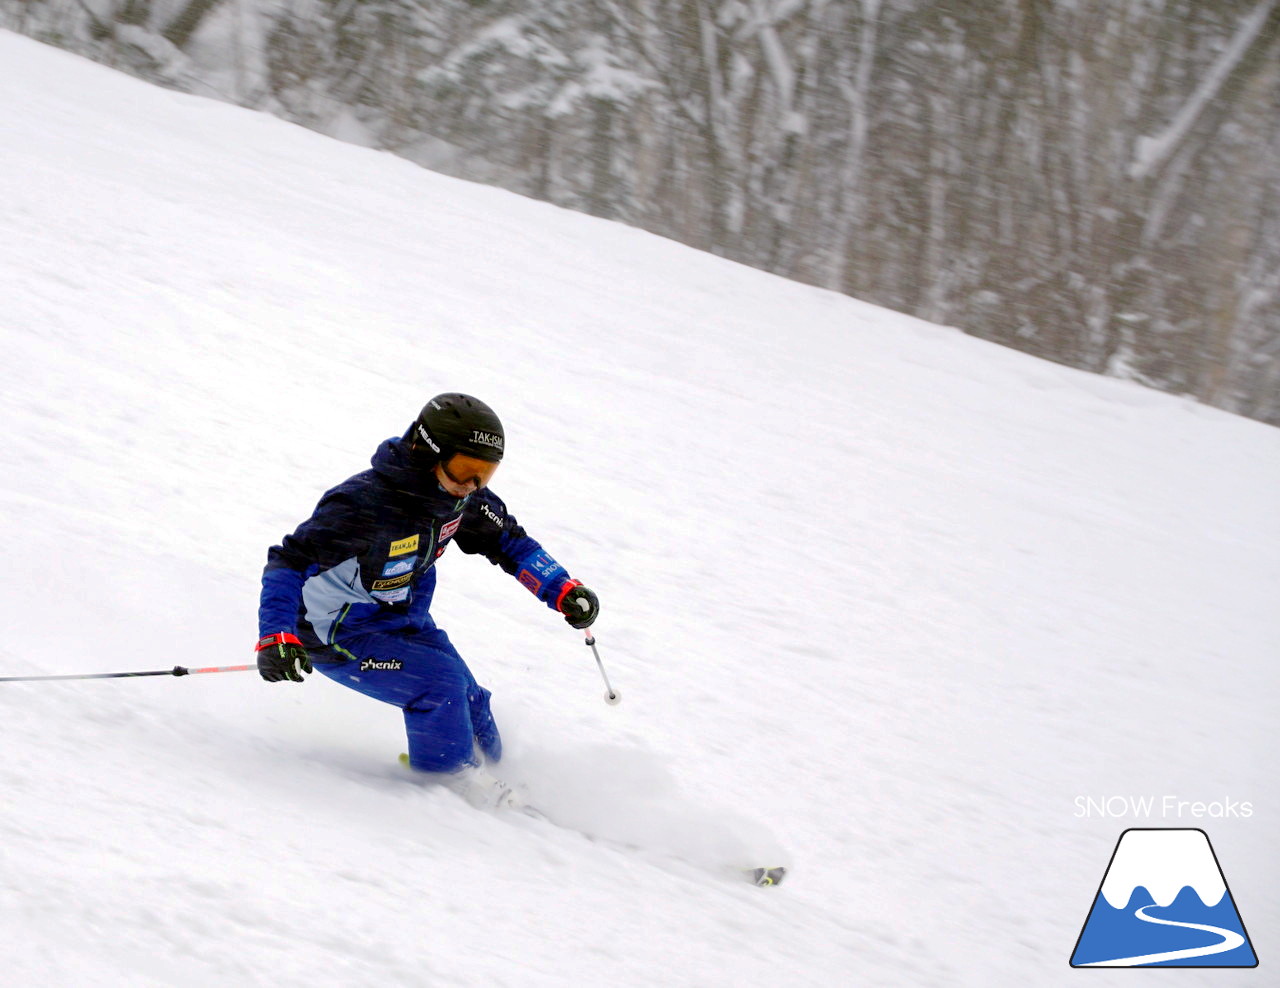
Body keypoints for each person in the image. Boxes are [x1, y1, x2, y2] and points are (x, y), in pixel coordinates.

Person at [256, 393, 599, 805]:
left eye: (484, 474)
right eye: (464, 469)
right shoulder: (363, 503)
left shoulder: (462, 501)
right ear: (425, 451)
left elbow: (511, 543)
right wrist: (276, 635)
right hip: (335, 634)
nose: (472, 485)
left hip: (403, 623)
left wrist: (561, 588)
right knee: (440, 686)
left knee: (473, 702)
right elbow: (288, 561)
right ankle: (449, 791)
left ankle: (493, 780)